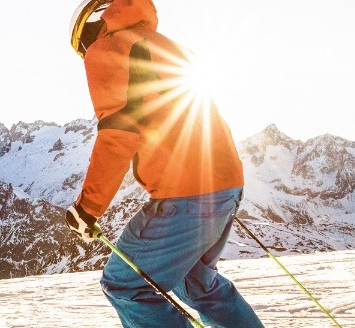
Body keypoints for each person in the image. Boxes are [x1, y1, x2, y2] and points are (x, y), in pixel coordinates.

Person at [63, 1, 265, 327]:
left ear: (93, 23)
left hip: (187, 192)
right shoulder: (168, 46)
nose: (86, 53)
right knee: (197, 283)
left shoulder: (108, 48)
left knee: (124, 282)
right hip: (225, 183)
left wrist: (88, 208)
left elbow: (118, 133)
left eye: (82, 45)